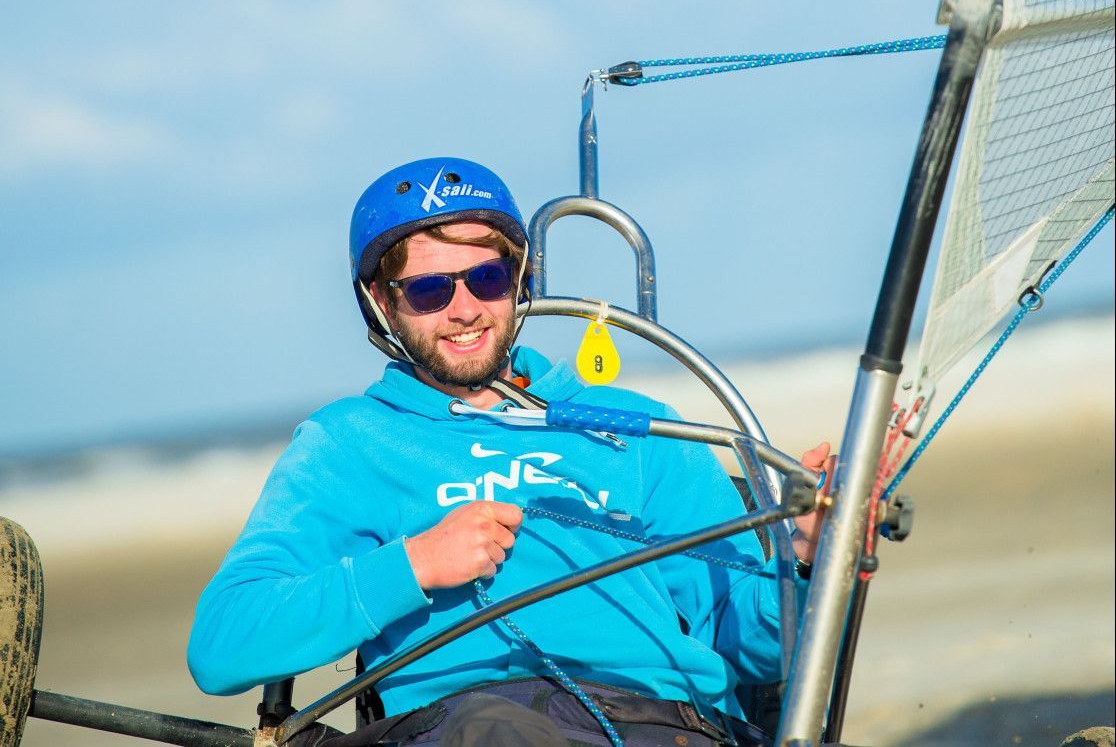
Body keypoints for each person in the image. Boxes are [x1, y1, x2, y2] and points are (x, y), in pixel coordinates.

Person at [188, 157, 833, 746]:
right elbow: (222, 647)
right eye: (429, 290)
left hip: (659, 726)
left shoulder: (641, 430)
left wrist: (805, 555)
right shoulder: (348, 443)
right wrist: (413, 564)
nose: (465, 309)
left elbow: (755, 643)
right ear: (383, 303)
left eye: (487, 279)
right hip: (467, 727)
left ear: (519, 279)